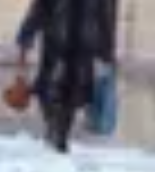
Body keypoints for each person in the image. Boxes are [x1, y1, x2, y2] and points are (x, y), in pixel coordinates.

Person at [15, 0, 117, 154]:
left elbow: (104, 16)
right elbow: (39, 7)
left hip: (81, 45)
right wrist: (26, 35)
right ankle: (54, 127)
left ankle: (60, 134)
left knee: (71, 92)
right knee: (48, 88)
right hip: (56, 42)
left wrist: (106, 50)